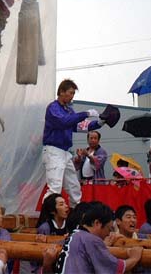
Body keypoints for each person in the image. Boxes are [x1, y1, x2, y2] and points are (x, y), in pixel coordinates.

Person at [42, 80, 103, 208]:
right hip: (53, 151)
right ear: (61, 92)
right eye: (70, 93)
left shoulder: (69, 111)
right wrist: (86, 114)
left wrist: (99, 123)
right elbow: (63, 122)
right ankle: (47, 217)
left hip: (65, 152)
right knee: (55, 187)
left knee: (74, 187)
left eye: (73, 93)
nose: (72, 96)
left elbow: (79, 125)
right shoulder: (53, 108)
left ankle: (75, 214)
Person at [54, 201, 142, 273]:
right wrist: (134, 258)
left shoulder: (74, 234)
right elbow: (115, 268)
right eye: (109, 229)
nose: (108, 234)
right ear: (97, 223)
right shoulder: (92, 240)